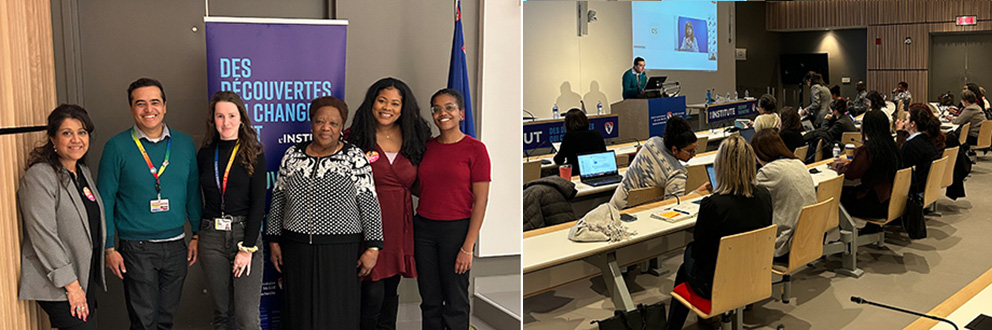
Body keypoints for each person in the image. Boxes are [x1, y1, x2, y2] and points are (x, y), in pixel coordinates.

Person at [266, 96, 383, 329]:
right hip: (296, 246)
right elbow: (278, 198)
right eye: (320, 122)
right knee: (299, 312)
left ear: (341, 127)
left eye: (333, 123)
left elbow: (369, 202)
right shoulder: (292, 155)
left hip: (340, 249)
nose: (326, 128)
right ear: (311, 123)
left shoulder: (354, 157)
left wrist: (373, 247)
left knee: (337, 313)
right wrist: (273, 241)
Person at [98, 78, 202, 330]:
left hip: (177, 245)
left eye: (155, 102)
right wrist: (109, 248)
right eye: (140, 103)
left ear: (165, 106)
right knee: (144, 322)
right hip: (136, 249)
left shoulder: (184, 143)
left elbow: (192, 192)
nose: (148, 109)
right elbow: (105, 200)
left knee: (165, 320)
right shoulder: (116, 147)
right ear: (132, 108)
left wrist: (197, 234)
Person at [346, 77, 431, 330]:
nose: (388, 107)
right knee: (371, 292)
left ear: (403, 108)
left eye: (395, 103)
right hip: (364, 225)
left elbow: (422, 181)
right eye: (382, 100)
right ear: (372, 102)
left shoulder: (414, 137)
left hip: (399, 226)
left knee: (391, 291)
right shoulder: (355, 137)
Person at [666, 135, 773, 330]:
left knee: (687, 258)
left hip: (718, 285)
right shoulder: (764, 196)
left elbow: (700, 251)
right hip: (753, 276)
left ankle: (673, 327)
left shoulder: (713, 205)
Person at [19, 105, 105, 330]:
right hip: (58, 282)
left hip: (81, 274)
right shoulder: (40, 176)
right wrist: (72, 286)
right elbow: (43, 235)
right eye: (67, 133)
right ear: (52, 139)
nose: (76, 139)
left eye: (82, 132)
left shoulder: (81, 171)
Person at [416, 89, 491, 330]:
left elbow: (481, 201)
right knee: (430, 299)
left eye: (449, 107)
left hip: (457, 231)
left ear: (461, 113)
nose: (442, 113)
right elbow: (421, 187)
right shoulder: (425, 148)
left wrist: (468, 247)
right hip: (424, 229)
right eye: (436, 109)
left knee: (456, 299)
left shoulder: (475, 149)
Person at [196, 91, 266, 330]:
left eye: (231, 116)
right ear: (212, 119)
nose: (226, 123)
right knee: (222, 315)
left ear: (242, 119)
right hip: (211, 238)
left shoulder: (254, 153)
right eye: (220, 116)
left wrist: (247, 248)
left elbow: (259, 203)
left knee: (247, 318)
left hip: (244, 236)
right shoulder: (205, 154)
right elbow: (196, 197)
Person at [751, 130, 817, 258]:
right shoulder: (798, 163)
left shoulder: (768, 171)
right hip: (808, 233)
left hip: (786, 243)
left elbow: (749, 197)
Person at [610, 116, 700, 209]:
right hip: (631, 215)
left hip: (615, 205)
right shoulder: (676, 173)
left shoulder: (652, 143)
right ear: (675, 149)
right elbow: (673, 207)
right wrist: (696, 193)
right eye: (690, 151)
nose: (694, 154)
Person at [828, 110, 901, 221]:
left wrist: (837, 166)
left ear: (867, 128)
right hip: (889, 199)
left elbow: (850, 174)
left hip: (873, 202)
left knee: (834, 195)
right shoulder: (892, 146)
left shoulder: (869, 150)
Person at [895, 104, 942, 197]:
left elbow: (901, 169)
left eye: (907, 119)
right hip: (927, 185)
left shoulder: (912, 145)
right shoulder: (928, 139)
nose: (904, 121)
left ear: (913, 124)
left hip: (915, 189)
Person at [553, 108, 606, 174]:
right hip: (596, 171)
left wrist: (557, 154)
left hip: (576, 172)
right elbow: (604, 154)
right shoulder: (596, 133)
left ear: (567, 123)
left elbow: (559, 160)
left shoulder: (569, 136)